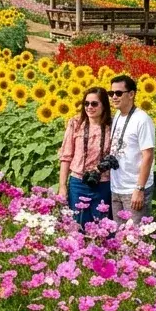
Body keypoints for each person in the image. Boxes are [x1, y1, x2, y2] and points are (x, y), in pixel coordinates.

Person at [57, 87, 113, 230]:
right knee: (76, 225)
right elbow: (66, 156)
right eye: (86, 103)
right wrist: (62, 186)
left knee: (100, 227)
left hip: (103, 183)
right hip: (78, 183)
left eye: (94, 104)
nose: (89, 107)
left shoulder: (112, 126)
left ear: (104, 105)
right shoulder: (76, 123)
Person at [108, 75, 156, 224]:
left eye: (118, 93)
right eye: (111, 94)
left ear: (131, 94)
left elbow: (148, 155)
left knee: (135, 239)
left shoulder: (142, 119)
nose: (114, 97)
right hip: (117, 186)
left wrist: (139, 189)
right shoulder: (117, 115)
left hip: (134, 189)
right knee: (119, 237)